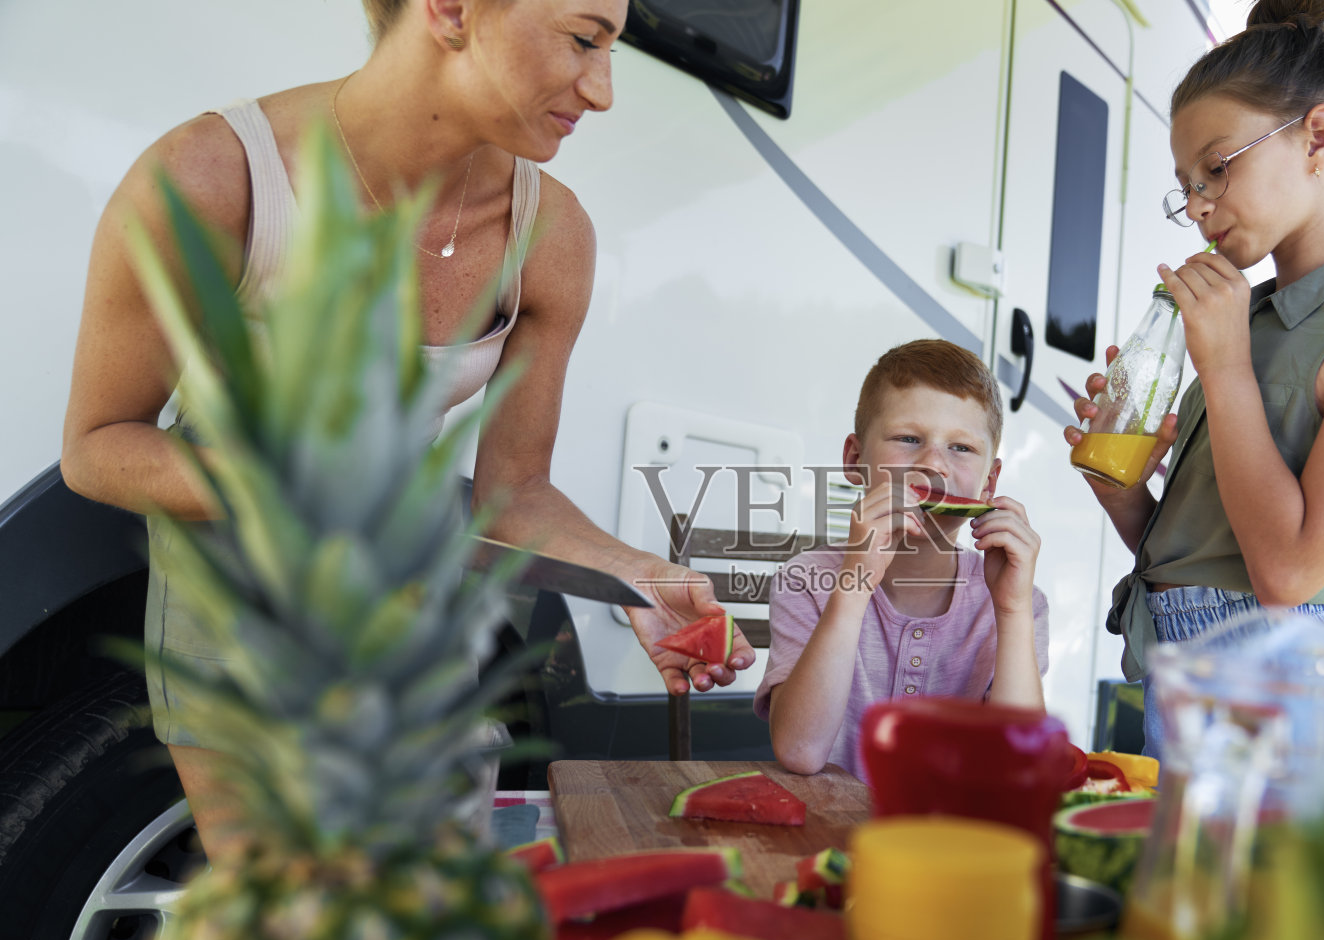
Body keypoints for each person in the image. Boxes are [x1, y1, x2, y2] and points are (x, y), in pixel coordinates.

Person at [59, 0, 753, 860]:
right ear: (452, 10)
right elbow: (98, 443)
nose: (604, 92)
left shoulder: (550, 233)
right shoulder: (214, 176)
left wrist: (633, 575)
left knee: (431, 917)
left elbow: (514, 494)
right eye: (583, 39)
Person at [1063, 0, 1324, 760]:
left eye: (1216, 166)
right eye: (1186, 185)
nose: (1199, 206)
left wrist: (1227, 365)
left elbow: (1289, 574)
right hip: (1186, 671)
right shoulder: (1251, 315)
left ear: (1319, 137)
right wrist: (1126, 495)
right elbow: (1208, 551)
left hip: (1275, 691)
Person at [758, 340, 1049, 778]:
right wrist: (854, 585)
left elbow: (1017, 762)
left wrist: (1012, 609)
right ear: (855, 460)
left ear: (989, 483)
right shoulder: (805, 579)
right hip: (831, 827)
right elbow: (801, 750)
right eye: (908, 439)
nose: (933, 464)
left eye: (962, 448)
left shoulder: (1020, 600)